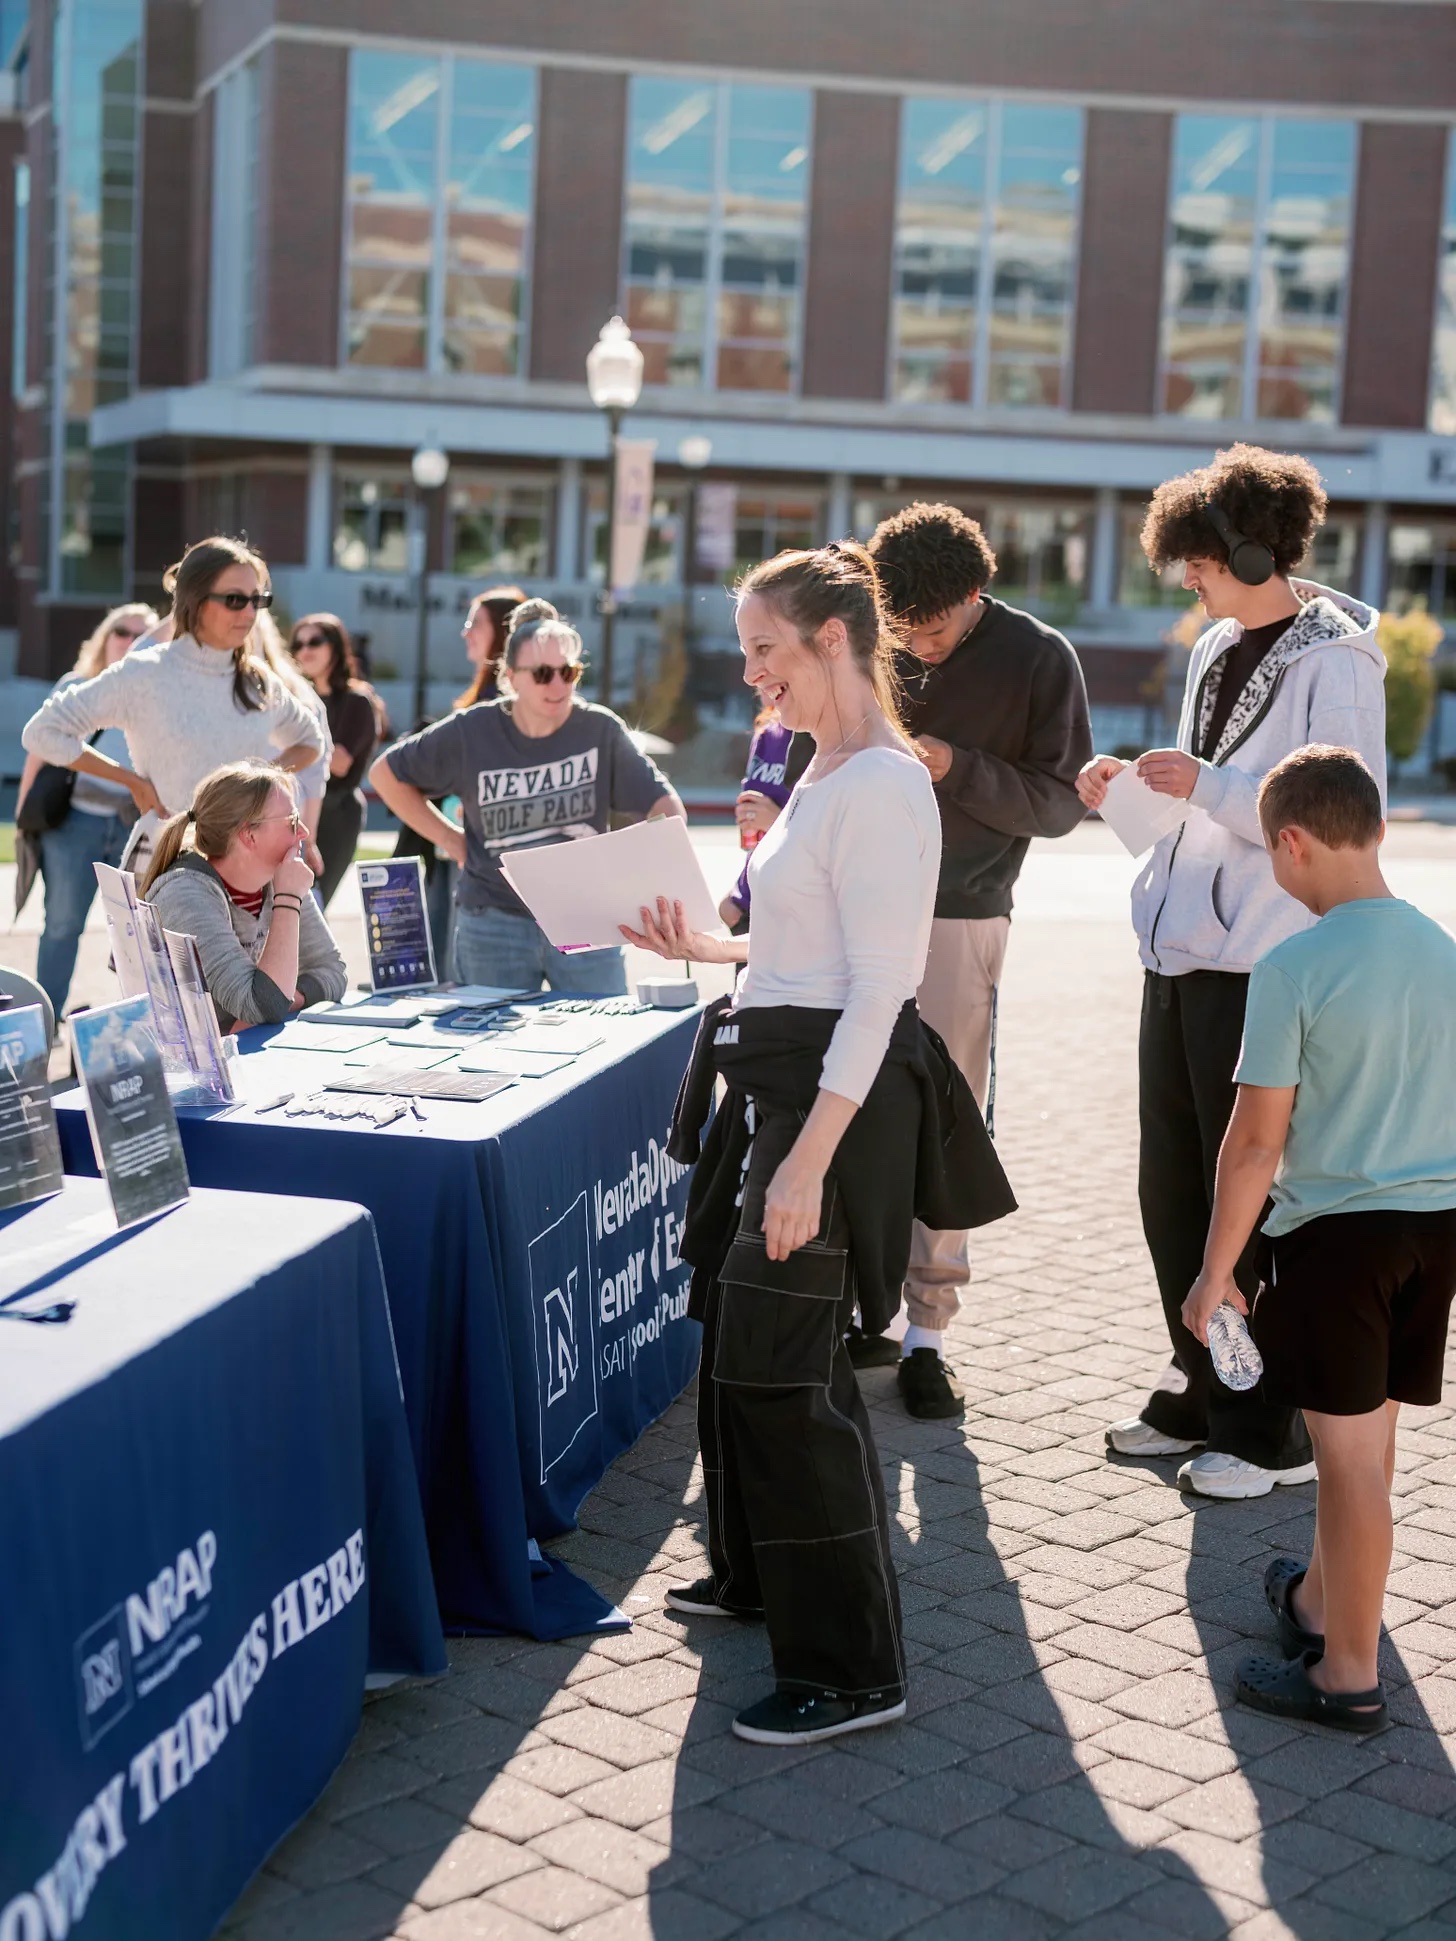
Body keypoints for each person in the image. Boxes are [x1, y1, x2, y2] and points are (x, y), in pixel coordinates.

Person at [625, 542, 1014, 1747]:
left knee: (790, 1375)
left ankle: (851, 1670)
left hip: (828, 1111)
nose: (751, 677)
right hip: (786, 1087)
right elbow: (809, 948)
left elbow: (883, 985)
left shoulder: (885, 784)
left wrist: (805, 1161)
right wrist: (711, 952)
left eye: (763, 649)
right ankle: (757, 1580)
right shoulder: (823, 766)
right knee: (745, 1346)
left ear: (833, 640)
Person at [1077, 444, 1388, 1500]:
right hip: (1179, 953)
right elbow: (1207, 805)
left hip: (1263, 966)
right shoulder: (1216, 645)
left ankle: (1271, 1434)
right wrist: (1132, 793)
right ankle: (1205, 1381)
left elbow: (1334, 822)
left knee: (1244, 1197)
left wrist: (1208, 787)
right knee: (1169, 1183)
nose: (1190, 585)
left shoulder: (1336, 662)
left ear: (1250, 549)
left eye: (1199, 565)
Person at [1182, 746, 1456, 1732]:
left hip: (1338, 1242)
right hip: (1434, 1236)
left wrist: (1216, 1273)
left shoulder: (1292, 964)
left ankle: (1346, 1675)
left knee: (1345, 1468)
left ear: (1290, 843)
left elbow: (1254, 1144)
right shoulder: (1442, 949)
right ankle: (1314, 1605)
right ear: (1376, 829)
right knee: (1370, 1450)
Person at [860, 502, 1092, 1418]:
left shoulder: (1041, 658)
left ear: (975, 593)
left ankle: (927, 1333)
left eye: (935, 626)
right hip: (854, 913)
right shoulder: (875, 637)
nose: (917, 644)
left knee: (942, 1122)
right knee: (841, 1104)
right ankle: (850, 1309)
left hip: (960, 916)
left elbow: (1064, 803)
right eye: (901, 628)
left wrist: (955, 764)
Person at [371, 606, 684, 993]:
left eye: (568, 672)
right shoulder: (473, 731)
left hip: (587, 920)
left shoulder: (599, 729)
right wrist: (451, 839)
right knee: (492, 1050)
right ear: (511, 677)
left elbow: (665, 807)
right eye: (542, 674)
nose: (558, 685)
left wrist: (644, 873)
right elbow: (385, 774)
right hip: (493, 924)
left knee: (599, 1040)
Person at [21, 537, 326, 880]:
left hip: (255, 872)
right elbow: (42, 733)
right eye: (235, 600)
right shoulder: (145, 672)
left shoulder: (258, 679)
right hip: (173, 867)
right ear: (195, 601)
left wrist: (252, 786)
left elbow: (310, 742)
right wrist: (132, 781)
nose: (250, 613)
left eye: (258, 600)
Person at [15, 603, 158, 1022]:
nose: (130, 641)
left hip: (136, 826)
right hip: (74, 823)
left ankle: (147, 1022)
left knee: (139, 931)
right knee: (61, 923)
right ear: (105, 637)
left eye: (142, 634)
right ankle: (45, 1020)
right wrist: (27, 818)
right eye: (122, 631)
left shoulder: (156, 695)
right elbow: (38, 753)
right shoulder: (77, 685)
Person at [140, 762, 348, 1030]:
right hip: (192, 1067)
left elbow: (334, 971)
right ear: (249, 835)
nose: (304, 833)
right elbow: (262, 1004)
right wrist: (287, 899)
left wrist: (290, 999)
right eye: (292, 821)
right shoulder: (184, 892)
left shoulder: (281, 878)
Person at [290, 613, 382, 907]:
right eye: (298, 644)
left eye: (314, 641)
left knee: (313, 904)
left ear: (335, 647)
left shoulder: (358, 700)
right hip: (293, 809)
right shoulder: (295, 700)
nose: (305, 650)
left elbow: (340, 763)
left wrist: (298, 749)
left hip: (337, 812)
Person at [717, 706, 813, 932]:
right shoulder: (766, 735)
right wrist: (735, 900)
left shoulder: (822, 737)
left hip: (796, 913)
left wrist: (777, 823)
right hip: (749, 908)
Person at [455, 584, 528, 709]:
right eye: (468, 624)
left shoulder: (500, 700)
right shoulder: (489, 690)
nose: (465, 633)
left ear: (502, 631)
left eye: (475, 623)